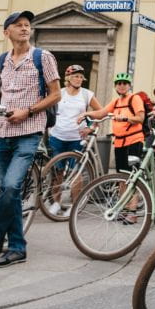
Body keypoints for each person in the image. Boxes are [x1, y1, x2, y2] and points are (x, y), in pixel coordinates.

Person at [0, 11, 61, 268]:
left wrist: (27, 111)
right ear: (6, 32)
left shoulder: (43, 57)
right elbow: (3, 94)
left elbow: (56, 95)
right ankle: (16, 247)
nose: (24, 28)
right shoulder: (2, 60)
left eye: (27, 25)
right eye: (18, 25)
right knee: (10, 191)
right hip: (2, 132)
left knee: (10, 187)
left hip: (28, 132)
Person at [76, 73, 149, 223]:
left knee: (131, 178)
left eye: (124, 83)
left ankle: (133, 212)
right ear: (115, 86)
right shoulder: (115, 102)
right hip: (120, 142)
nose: (121, 85)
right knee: (121, 177)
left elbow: (140, 118)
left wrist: (126, 118)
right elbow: (101, 113)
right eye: (119, 83)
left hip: (134, 140)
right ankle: (122, 208)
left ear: (129, 85)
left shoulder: (134, 99)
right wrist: (86, 113)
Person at [44, 64, 102, 216]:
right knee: (58, 172)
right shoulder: (59, 93)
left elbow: (100, 112)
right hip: (57, 137)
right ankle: (56, 202)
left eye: (81, 76)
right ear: (68, 78)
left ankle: (74, 205)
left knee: (76, 173)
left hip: (77, 139)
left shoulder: (87, 94)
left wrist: (91, 128)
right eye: (75, 76)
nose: (79, 79)